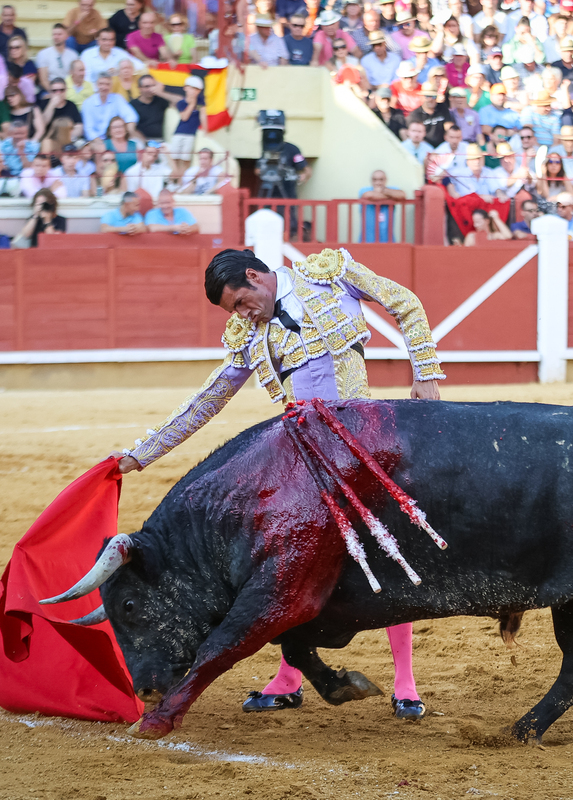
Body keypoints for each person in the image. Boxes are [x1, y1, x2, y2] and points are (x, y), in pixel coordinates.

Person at [110, 246, 444, 721]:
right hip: (303, 462)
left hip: (361, 445)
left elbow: (405, 302)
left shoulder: (329, 276)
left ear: (255, 275)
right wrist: (141, 455)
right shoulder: (248, 333)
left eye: (241, 302)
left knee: (388, 550)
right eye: (234, 311)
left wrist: (425, 375)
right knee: (288, 566)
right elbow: (209, 399)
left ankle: (405, 681)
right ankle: (288, 679)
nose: (243, 314)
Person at [81, 72, 136, 142]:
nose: (104, 87)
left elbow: (131, 116)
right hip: (95, 140)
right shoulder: (88, 103)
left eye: (107, 84)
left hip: (115, 139)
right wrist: (100, 143)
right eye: (101, 84)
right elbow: (88, 130)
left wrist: (129, 132)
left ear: (111, 86)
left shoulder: (117, 98)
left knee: (137, 143)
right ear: (96, 85)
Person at [359, 169, 405, 243]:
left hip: (388, 241)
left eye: (381, 179)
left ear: (385, 180)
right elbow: (368, 195)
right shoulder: (364, 190)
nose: (378, 182)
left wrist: (384, 190)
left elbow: (402, 195)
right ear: (371, 181)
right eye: (375, 180)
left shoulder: (391, 189)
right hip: (367, 241)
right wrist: (391, 197)